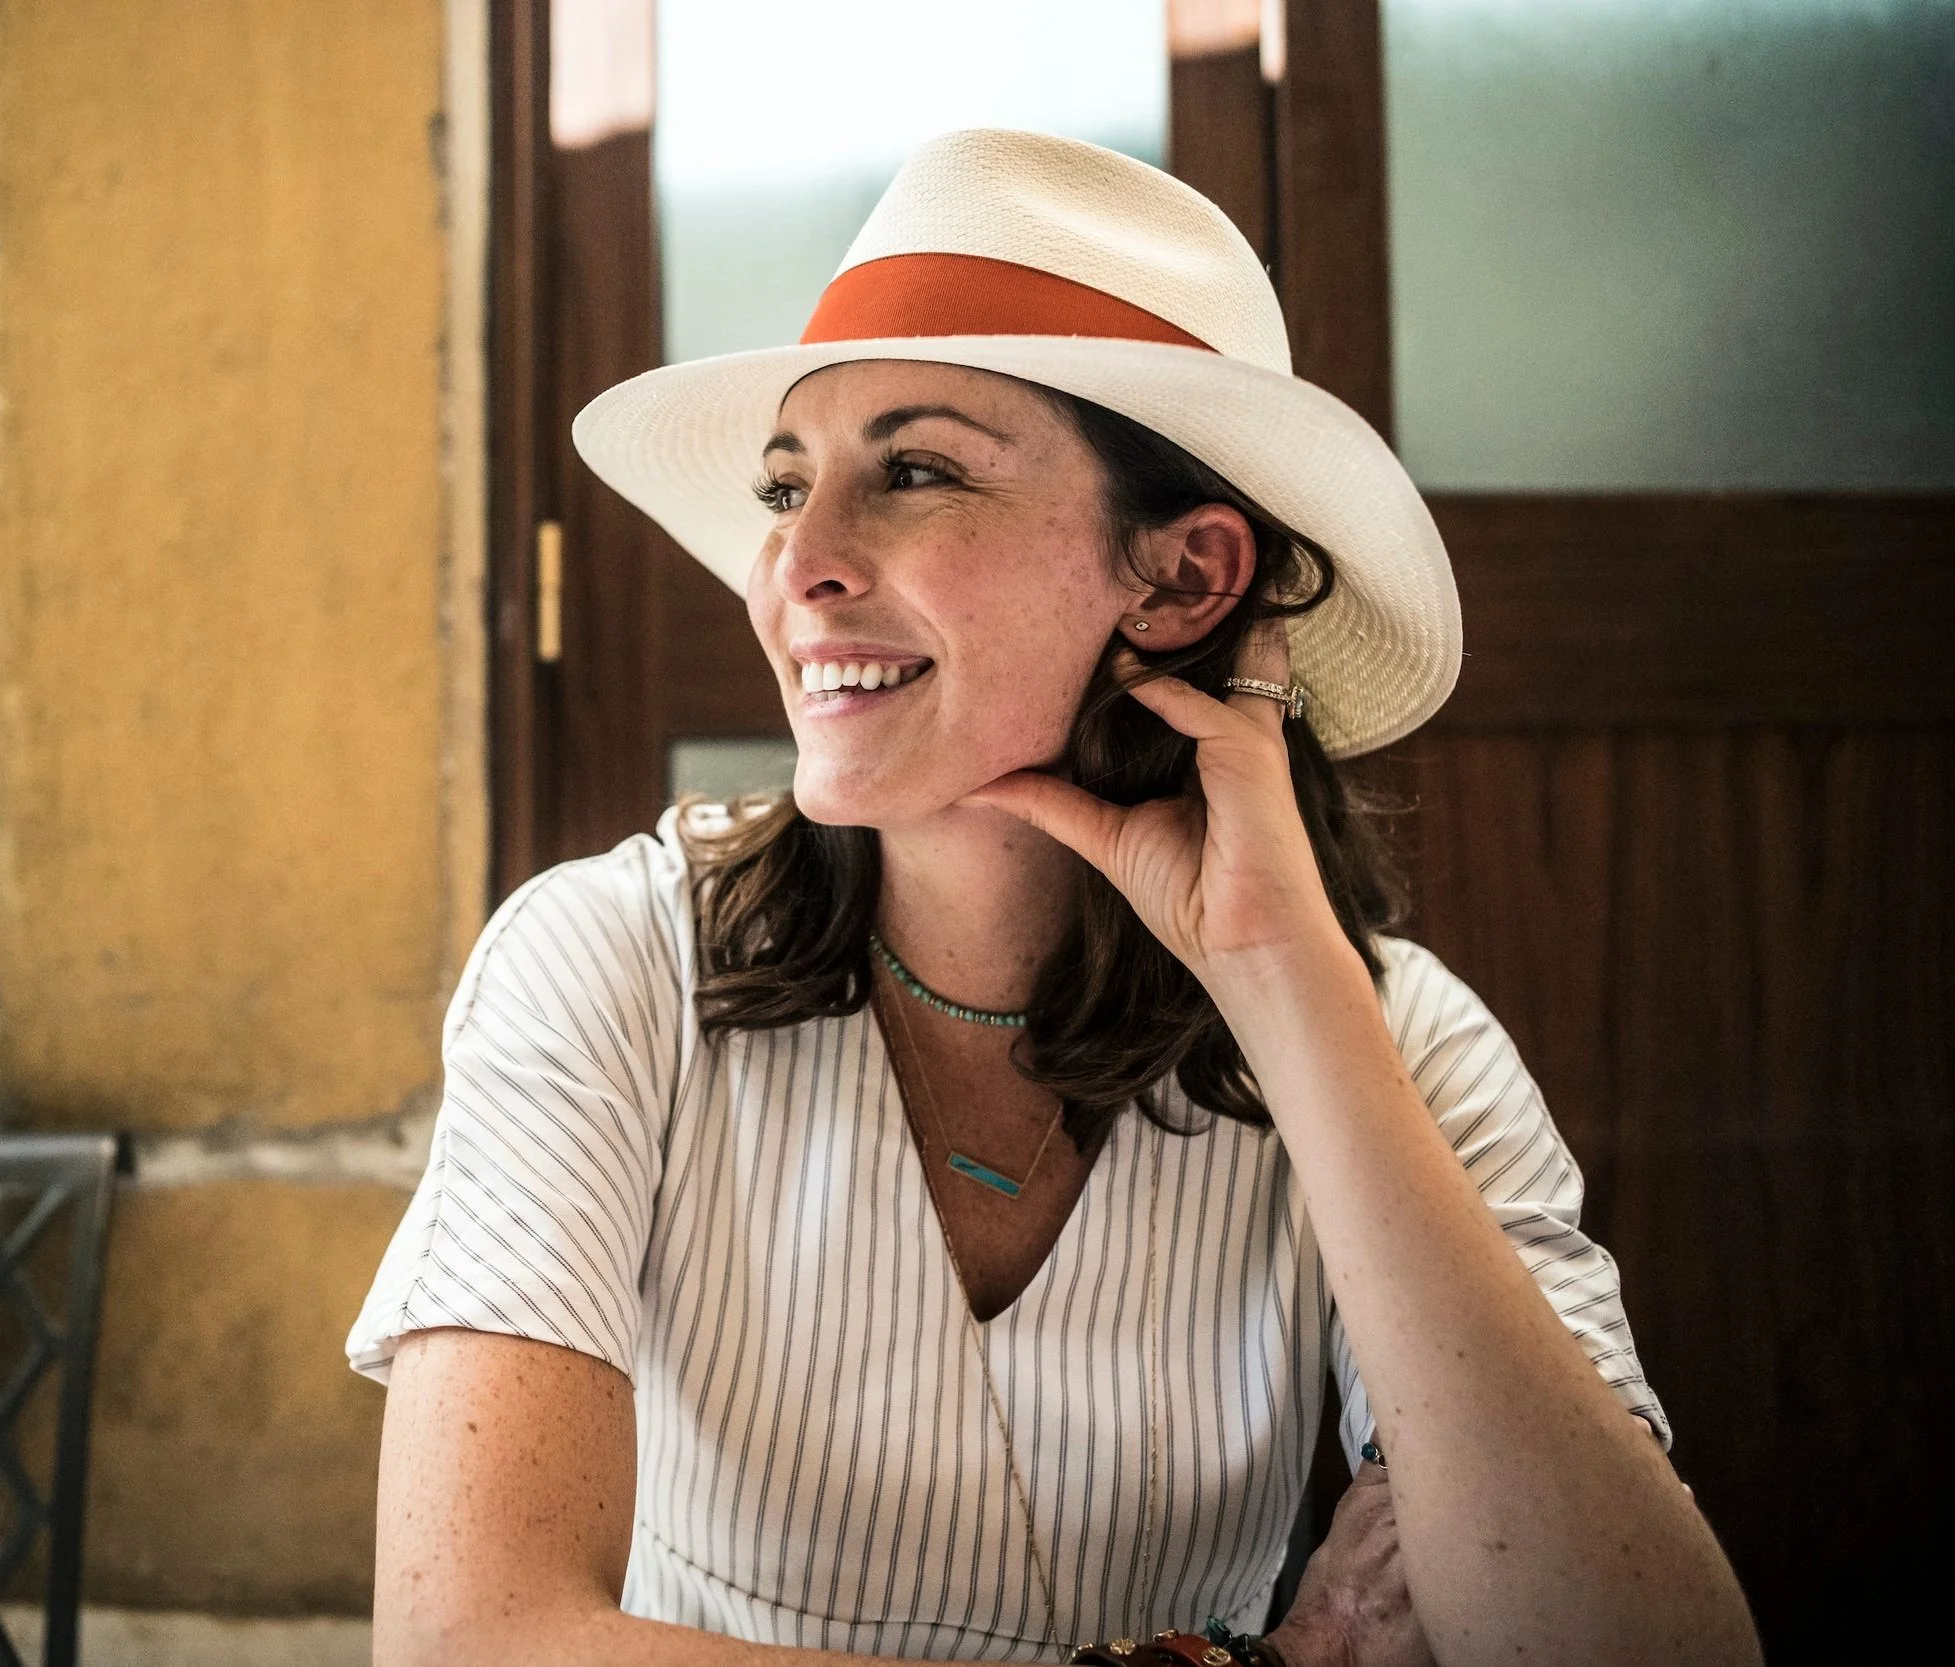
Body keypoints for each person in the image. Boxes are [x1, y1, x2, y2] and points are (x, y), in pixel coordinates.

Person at [349, 129, 1760, 1666]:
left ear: (1180, 578)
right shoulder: (608, 963)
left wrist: (1287, 989)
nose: (794, 563)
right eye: (785, 481)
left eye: (914, 470)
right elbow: (466, 1638)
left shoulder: (1396, 1041)